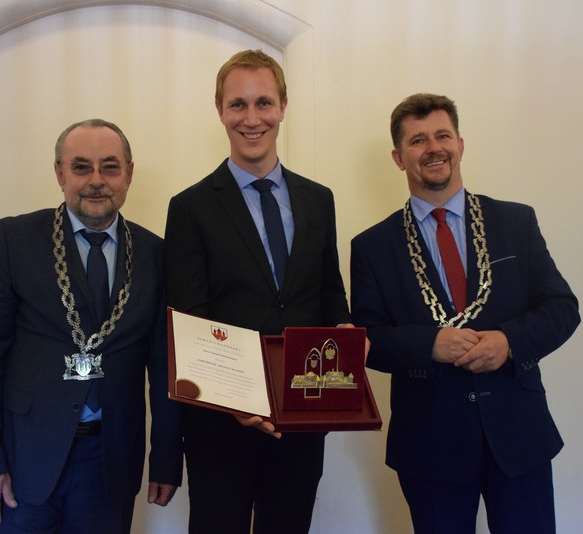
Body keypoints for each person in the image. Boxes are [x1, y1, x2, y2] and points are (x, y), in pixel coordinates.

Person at [350, 94, 580, 534]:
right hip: (429, 444)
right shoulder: (372, 247)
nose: (433, 147)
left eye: (442, 135)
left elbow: (562, 308)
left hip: (519, 435)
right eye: (418, 140)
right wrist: (429, 345)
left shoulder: (516, 222)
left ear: (460, 145)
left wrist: (508, 342)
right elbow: (367, 338)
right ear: (399, 158)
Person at [0, 119, 183, 533]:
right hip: (24, 459)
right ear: (60, 174)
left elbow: (165, 364)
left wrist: (167, 458)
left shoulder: (155, 253)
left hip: (110, 463)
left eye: (110, 167)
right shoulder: (14, 239)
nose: (96, 181)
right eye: (81, 167)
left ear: (129, 173)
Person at [164, 49, 353, 534]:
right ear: (220, 110)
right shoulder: (189, 208)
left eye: (264, 103)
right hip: (219, 426)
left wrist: (346, 331)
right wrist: (236, 399)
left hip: (302, 418)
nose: (252, 119)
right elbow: (190, 322)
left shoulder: (319, 200)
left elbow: (329, 291)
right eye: (238, 105)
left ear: (283, 106)